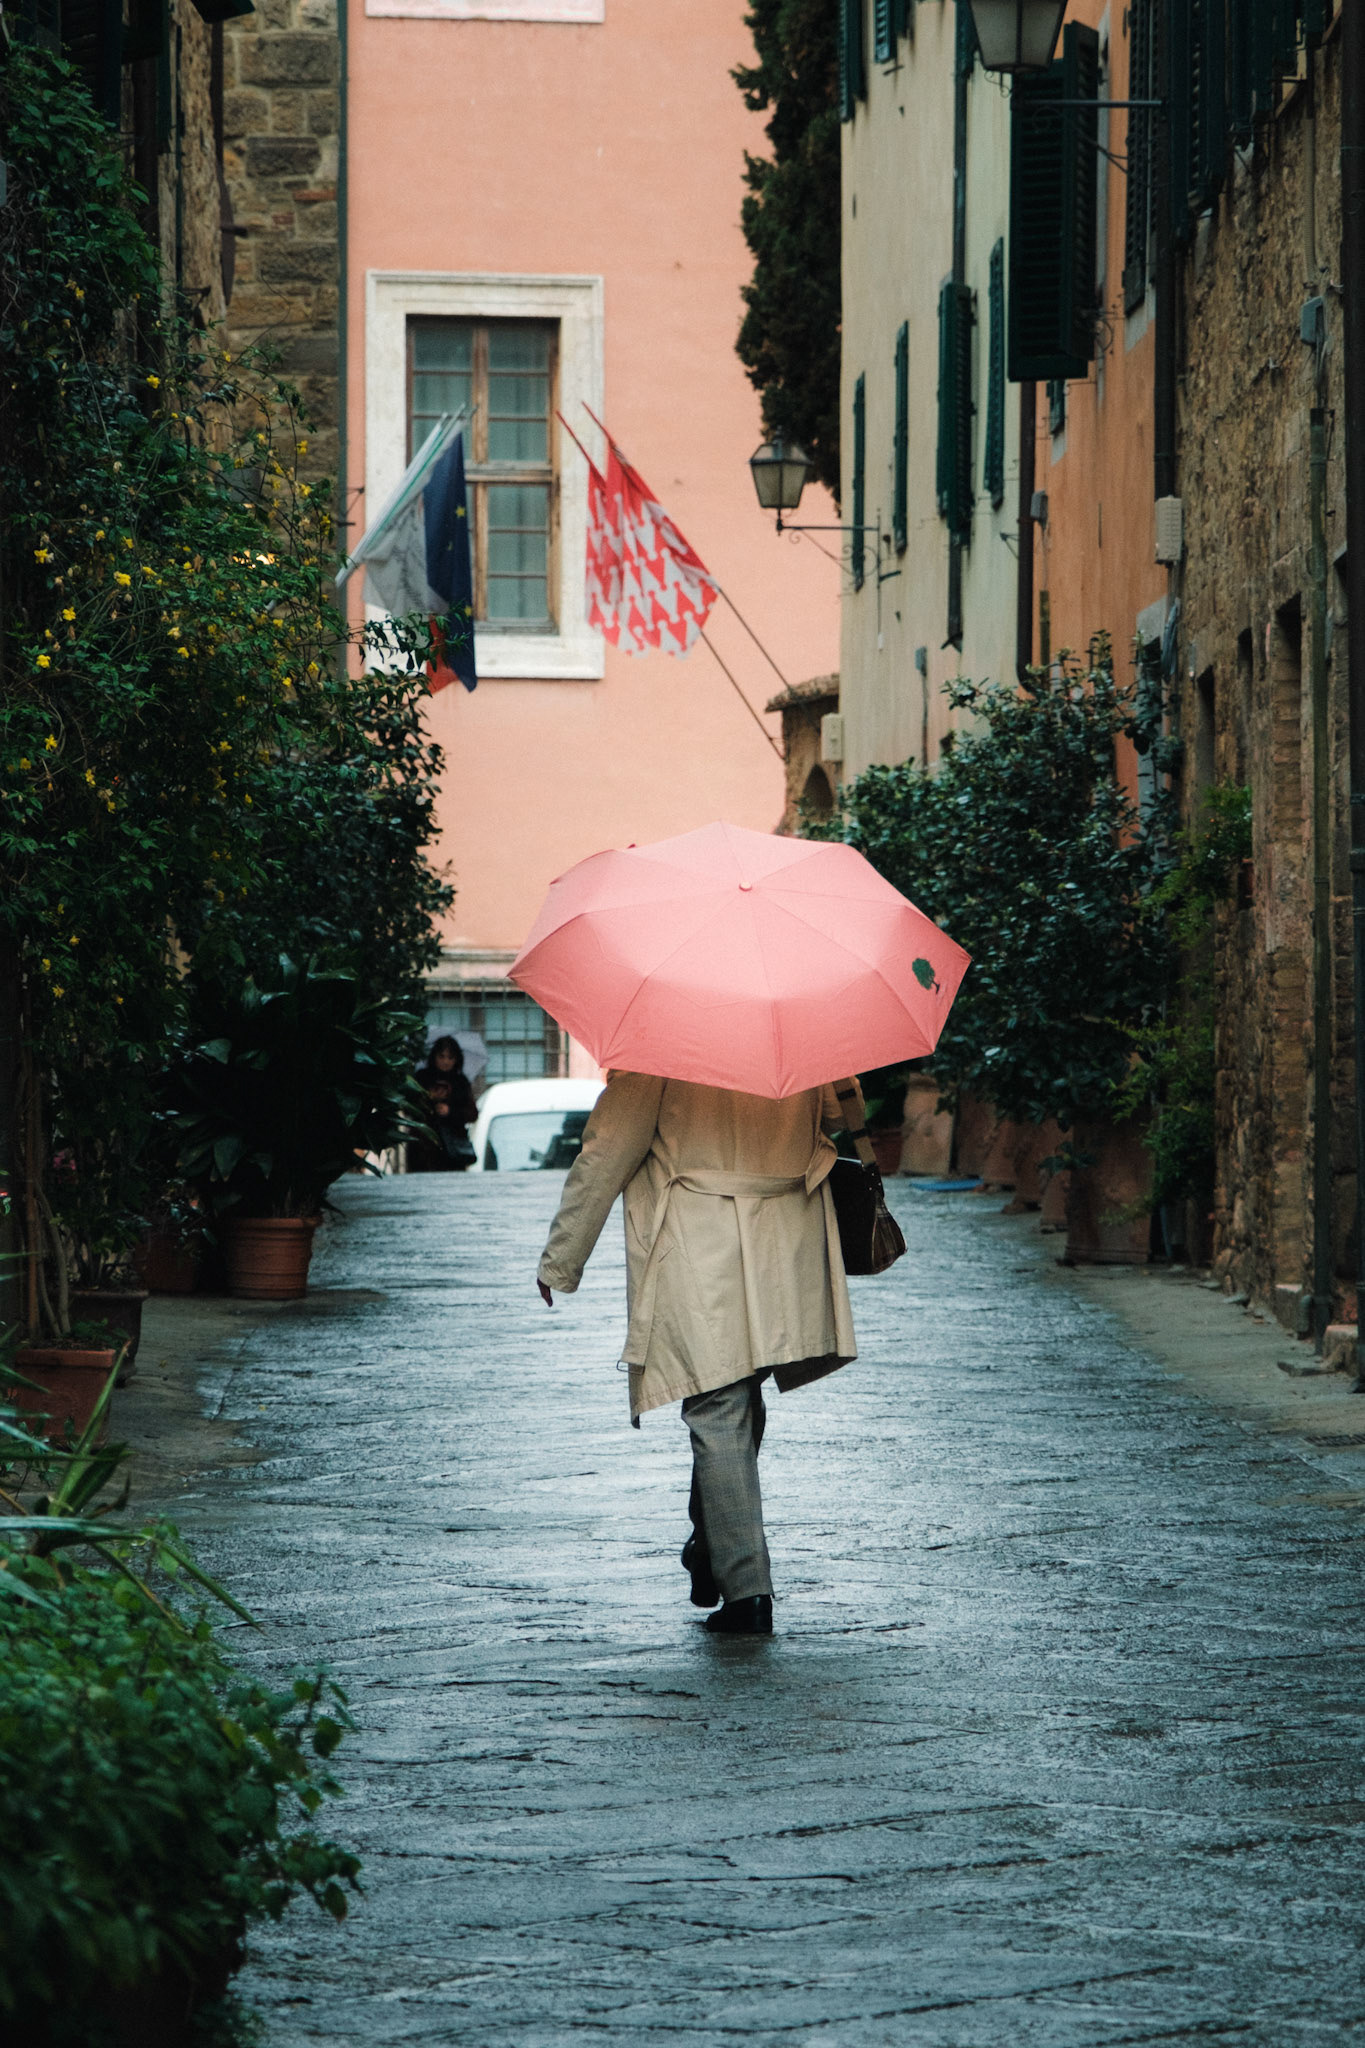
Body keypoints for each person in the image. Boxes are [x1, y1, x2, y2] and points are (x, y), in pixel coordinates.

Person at [536, 1070, 856, 1636]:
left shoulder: (661, 1042)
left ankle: (747, 1591)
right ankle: (712, 1548)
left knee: (718, 1402)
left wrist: (562, 1257)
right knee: (738, 1393)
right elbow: (838, 1115)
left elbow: (610, 1146)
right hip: (785, 1230)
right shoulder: (795, 1031)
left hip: (699, 1233)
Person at [414, 1036, 479, 1170]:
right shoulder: (422, 1078)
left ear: (456, 1059)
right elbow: (410, 1107)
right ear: (434, 1057)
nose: (445, 1062)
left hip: (453, 1147)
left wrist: (450, 1111)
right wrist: (428, 1098)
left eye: (450, 1058)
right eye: (441, 1056)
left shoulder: (461, 1082)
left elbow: (472, 1114)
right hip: (425, 1147)